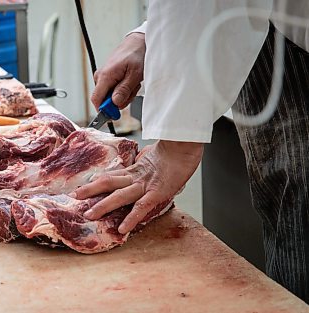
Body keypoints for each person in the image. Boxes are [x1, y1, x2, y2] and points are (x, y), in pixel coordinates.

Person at [71, 0, 308, 303]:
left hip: (291, 44)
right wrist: (148, 37)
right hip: (266, 24)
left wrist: (175, 145)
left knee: (300, 223)